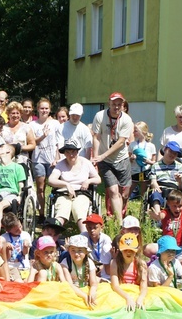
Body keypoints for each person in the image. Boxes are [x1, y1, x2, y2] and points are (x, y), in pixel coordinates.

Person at [91, 92, 134, 225]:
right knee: (113, 191)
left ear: (123, 105)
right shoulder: (100, 116)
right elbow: (96, 137)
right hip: (106, 161)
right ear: (109, 103)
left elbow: (121, 142)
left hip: (122, 159)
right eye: (114, 104)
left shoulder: (126, 120)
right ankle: (120, 224)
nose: (116, 107)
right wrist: (96, 157)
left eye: (119, 104)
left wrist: (102, 156)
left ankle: (120, 213)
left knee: (124, 193)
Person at [48, 140, 101, 234]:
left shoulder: (86, 163)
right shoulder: (60, 164)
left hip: (81, 192)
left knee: (79, 209)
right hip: (64, 193)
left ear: (77, 152)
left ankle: (84, 235)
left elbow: (98, 179)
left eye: (73, 152)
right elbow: (51, 180)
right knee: (62, 210)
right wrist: (66, 184)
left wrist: (88, 181)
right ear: (64, 153)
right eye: (67, 152)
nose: (71, 155)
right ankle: (53, 235)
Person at [30, 98, 61, 218]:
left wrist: (57, 158)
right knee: (41, 188)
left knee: (55, 187)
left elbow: (59, 143)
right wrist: (43, 135)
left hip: (52, 160)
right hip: (38, 160)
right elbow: (33, 142)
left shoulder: (55, 124)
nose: (44, 110)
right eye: (42, 108)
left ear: (50, 109)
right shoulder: (32, 125)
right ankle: (41, 213)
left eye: (46, 108)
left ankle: (54, 213)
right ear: (38, 109)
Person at [147, 140, 182, 216]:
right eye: (170, 151)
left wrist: (179, 181)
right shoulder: (155, 165)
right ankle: (158, 216)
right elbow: (153, 181)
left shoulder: (180, 166)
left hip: (174, 189)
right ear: (165, 150)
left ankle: (172, 218)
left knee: (175, 197)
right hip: (159, 187)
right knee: (155, 195)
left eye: (175, 153)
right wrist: (155, 186)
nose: (172, 154)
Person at [109, 233, 148, 311]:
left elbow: (144, 285)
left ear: (136, 250)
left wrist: (140, 298)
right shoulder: (114, 263)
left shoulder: (141, 264)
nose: (128, 252)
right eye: (125, 250)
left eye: (131, 250)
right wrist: (127, 298)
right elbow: (115, 286)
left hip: (137, 292)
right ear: (120, 250)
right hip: (121, 292)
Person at [62, 234, 98, 308]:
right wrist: (84, 296)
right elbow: (69, 284)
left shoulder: (90, 262)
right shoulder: (65, 263)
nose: (76, 254)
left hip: (86, 288)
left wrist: (92, 291)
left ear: (85, 252)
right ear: (69, 250)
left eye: (80, 250)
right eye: (73, 250)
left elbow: (93, 282)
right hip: (72, 291)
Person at [2, 101, 37, 165]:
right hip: (6, 162)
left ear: (21, 114)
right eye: (13, 113)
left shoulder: (26, 127)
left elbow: (32, 145)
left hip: (22, 161)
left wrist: (20, 148)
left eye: (17, 113)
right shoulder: (3, 128)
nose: (15, 115)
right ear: (8, 114)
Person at [129, 121, 156, 199]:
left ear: (143, 132)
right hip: (134, 171)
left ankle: (143, 206)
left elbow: (154, 162)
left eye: (136, 131)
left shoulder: (151, 146)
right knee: (128, 191)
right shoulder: (132, 145)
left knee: (144, 194)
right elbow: (128, 160)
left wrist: (149, 162)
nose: (134, 132)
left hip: (145, 171)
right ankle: (124, 204)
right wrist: (131, 158)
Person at [81, 213, 112, 281]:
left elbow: (108, 261)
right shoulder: (83, 237)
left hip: (103, 267)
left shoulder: (106, 240)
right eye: (89, 227)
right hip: (88, 266)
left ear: (101, 227)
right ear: (86, 227)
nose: (92, 230)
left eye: (95, 227)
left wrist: (99, 268)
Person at [1, 212, 31, 281]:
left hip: (25, 267)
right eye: (16, 230)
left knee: (27, 282)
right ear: (8, 231)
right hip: (12, 266)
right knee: (19, 282)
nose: (20, 230)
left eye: (20, 226)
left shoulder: (25, 235)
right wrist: (7, 249)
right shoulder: (4, 238)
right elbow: (6, 258)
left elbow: (25, 253)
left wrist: (25, 247)